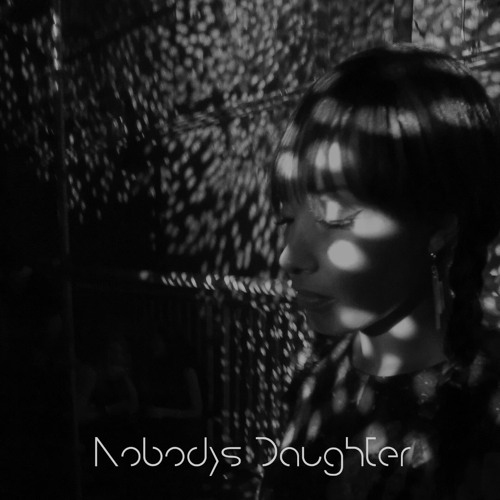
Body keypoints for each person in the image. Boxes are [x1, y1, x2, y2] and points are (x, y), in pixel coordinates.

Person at [258, 44, 500, 500]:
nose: (289, 256)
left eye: (335, 216)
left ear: (441, 223)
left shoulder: (482, 413)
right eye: (286, 218)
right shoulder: (316, 375)